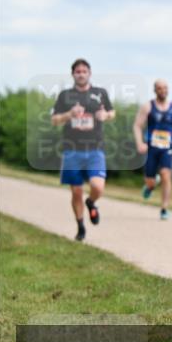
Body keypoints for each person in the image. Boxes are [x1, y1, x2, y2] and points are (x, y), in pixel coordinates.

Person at [50, 58, 115, 241]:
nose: (81, 74)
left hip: (95, 148)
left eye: (84, 71)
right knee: (76, 191)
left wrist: (106, 115)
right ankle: (80, 227)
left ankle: (91, 202)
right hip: (72, 150)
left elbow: (112, 112)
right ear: (73, 74)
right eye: (77, 71)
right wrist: (69, 114)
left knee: (97, 186)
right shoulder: (65, 96)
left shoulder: (100, 93)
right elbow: (54, 120)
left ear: (89, 73)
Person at [133, 79, 172, 220]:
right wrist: (140, 143)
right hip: (152, 148)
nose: (163, 90)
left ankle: (164, 208)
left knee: (166, 174)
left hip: (166, 148)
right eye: (160, 88)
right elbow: (137, 126)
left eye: (165, 88)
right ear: (155, 90)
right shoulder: (147, 107)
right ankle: (151, 186)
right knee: (150, 180)